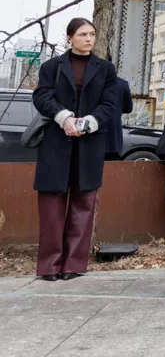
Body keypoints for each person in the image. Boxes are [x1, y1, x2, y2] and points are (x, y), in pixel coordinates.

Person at [32, 18, 117, 281]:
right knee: (51, 207)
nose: (89, 39)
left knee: (83, 205)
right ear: (70, 37)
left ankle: (73, 264)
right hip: (55, 143)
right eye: (82, 34)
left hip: (90, 143)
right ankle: (49, 266)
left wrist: (89, 122)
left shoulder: (106, 68)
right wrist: (64, 118)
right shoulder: (52, 66)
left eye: (92, 34)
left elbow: (109, 103)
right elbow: (42, 96)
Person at [103, 69, 133, 161]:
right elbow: (128, 108)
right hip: (113, 138)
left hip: (91, 137)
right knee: (113, 165)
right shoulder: (122, 84)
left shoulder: (89, 81)